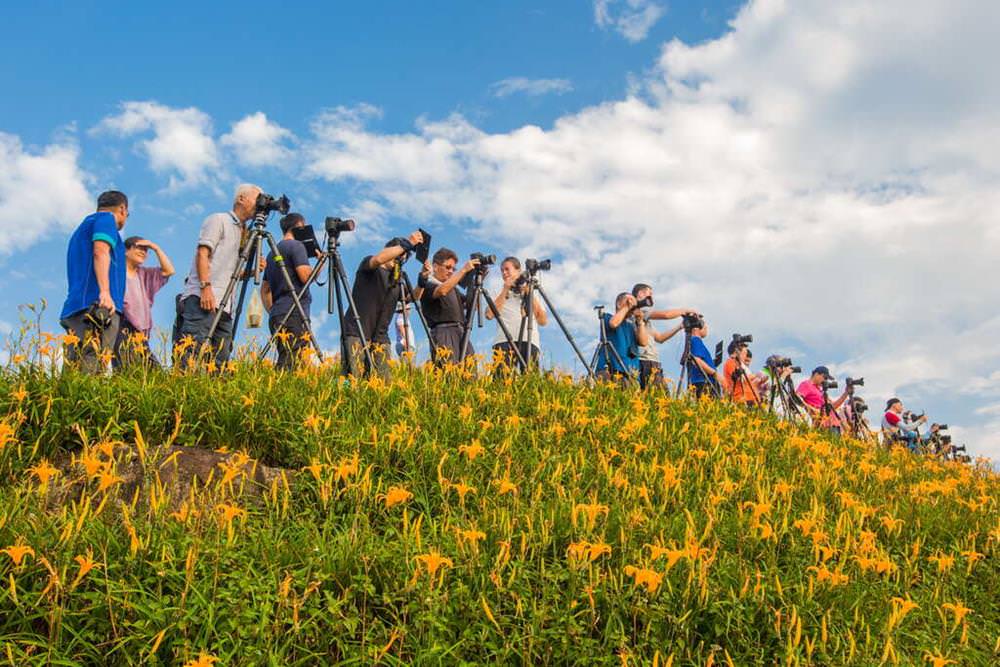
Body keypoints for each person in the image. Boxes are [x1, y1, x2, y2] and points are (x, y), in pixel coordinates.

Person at [175, 183, 262, 368]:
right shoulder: (219, 220)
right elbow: (203, 253)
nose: (260, 205)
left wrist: (253, 272)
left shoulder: (243, 232)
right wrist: (205, 288)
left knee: (220, 363)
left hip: (226, 304)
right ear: (241, 198)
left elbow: (232, 274)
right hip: (203, 298)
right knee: (191, 354)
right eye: (257, 199)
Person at [59, 190, 129, 374]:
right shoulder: (105, 220)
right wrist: (105, 293)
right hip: (96, 307)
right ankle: (82, 403)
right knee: (93, 364)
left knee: (75, 367)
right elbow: (100, 251)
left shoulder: (83, 228)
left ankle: (70, 402)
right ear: (122, 209)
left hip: (78, 306)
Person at [343, 230, 424, 377]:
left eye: (403, 258)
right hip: (357, 331)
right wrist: (407, 244)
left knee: (384, 382)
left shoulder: (398, 279)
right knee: (353, 379)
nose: (399, 259)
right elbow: (379, 259)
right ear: (389, 250)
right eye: (397, 254)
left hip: (381, 337)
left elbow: (412, 297)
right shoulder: (369, 265)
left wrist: (422, 280)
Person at [260, 213, 315, 370]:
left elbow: (264, 289)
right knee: (295, 362)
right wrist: (319, 265)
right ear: (299, 225)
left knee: (287, 357)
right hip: (295, 312)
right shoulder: (297, 246)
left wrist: (273, 310)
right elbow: (305, 277)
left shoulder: (273, 252)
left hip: (278, 313)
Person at [113, 236, 175, 368]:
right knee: (125, 369)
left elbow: (169, 270)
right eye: (139, 248)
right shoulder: (115, 272)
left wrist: (156, 248)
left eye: (146, 250)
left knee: (154, 373)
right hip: (122, 326)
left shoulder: (144, 274)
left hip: (141, 333)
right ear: (125, 250)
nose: (143, 252)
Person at [484, 257, 548, 371]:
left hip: (529, 340)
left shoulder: (532, 290)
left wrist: (528, 293)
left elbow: (543, 321)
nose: (504, 273)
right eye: (502, 271)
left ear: (518, 271)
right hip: (504, 340)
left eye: (507, 269)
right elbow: (489, 315)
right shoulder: (498, 291)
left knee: (530, 381)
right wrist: (505, 290)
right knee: (501, 381)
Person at [419, 248, 479, 366]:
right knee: (449, 371)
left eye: (453, 268)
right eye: (448, 267)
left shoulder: (453, 289)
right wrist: (463, 271)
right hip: (443, 332)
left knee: (470, 372)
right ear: (435, 266)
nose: (451, 271)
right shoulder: (427, 285)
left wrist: (475, 281)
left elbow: (472, 306)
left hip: (461, 332)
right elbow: (442, 291)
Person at [630, 283, 689, 389]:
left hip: (652, 362)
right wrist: (684, 310)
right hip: (645, 361)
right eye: (649, 294)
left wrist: (679, 327)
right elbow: (666, 315)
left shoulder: (645, 320)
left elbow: (660, 338)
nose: (651, 298)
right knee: (659, 398)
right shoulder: (639, 311)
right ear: (640, 294)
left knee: (658, 397)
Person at [593, 292, 650, 384]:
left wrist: (640, 321)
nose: (632, 304)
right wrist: (627, 307)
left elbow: (644, 342)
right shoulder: (607, 317)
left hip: (630, 373)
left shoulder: (631, 326)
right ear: (619, 304)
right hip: (609, 370)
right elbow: (613, 323)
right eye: (629, 301)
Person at [796, 366, 850, 433]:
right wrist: (811, 409)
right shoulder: (806, 384)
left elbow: (833, 407)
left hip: (834, 424)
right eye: (825, 378)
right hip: (822, 425)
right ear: (816, 374)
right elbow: (796, 398)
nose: (825, 381)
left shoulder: (820, 390)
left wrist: (846, 393)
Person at [683, 317, 719, 398]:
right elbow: (696, 360)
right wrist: (714, 372)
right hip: (703, 382)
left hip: (702, 381)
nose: (706, 329)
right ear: (697, 328)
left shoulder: (695, 341)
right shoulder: (696, 340)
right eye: (705, 327)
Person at [720, 339, 763, 405]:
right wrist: (755, 375)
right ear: (737, 352)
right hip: (741, 398)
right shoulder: (730, 362)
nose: (745, 356)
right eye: (744, 353)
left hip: (747, 398)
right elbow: (740, 379)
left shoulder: (737, 364)